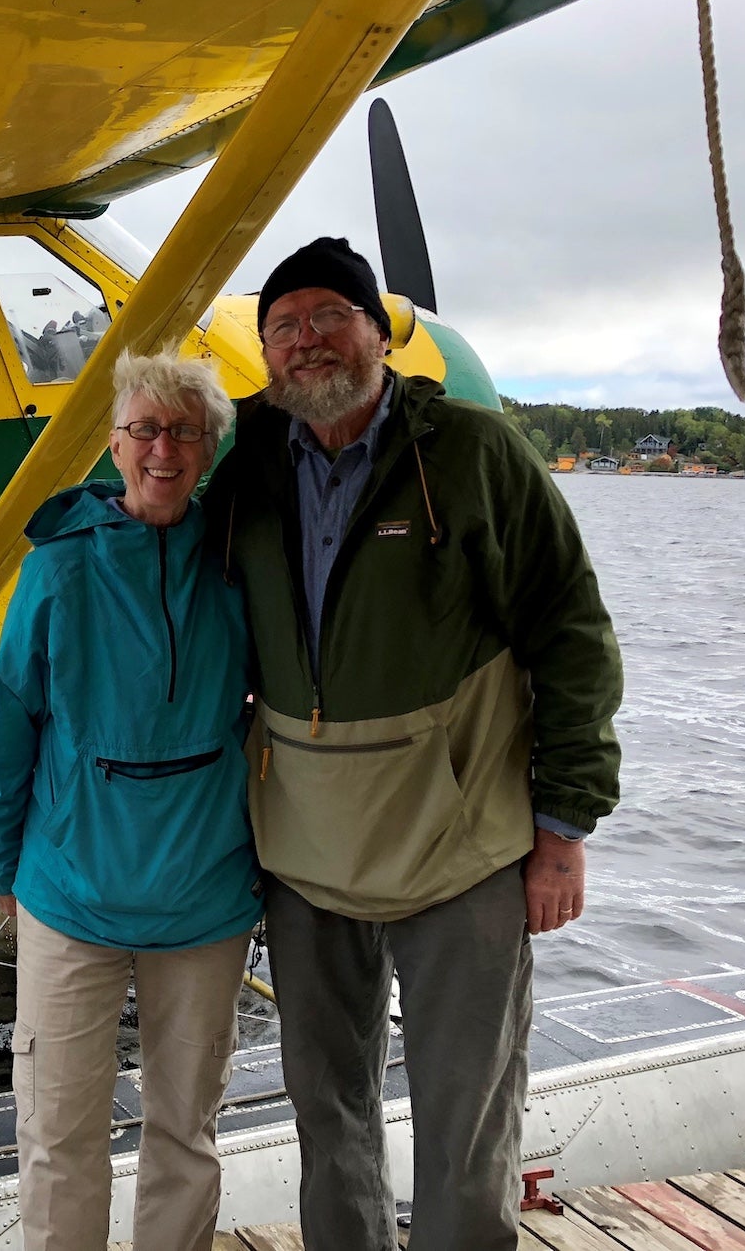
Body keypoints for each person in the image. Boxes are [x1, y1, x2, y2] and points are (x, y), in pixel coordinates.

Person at [206, 237, 623, 1251]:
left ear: (375, 332)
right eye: (282, 325)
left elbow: (571, 633)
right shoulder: (243, 457)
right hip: (304, 855)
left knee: (466, 1118)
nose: (305, 341)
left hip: (463, 849)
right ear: (261, 350)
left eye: (326, 317)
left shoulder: (474, 453)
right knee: (327, 1114)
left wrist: (561, 829)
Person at [0, 350, 263, 1251]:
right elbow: (9, 722)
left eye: (184, 433)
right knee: (58, 1136)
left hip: (205, 901)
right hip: (71, 898)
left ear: (209, 450)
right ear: (113, 444)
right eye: (144, 430)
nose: (162, 451)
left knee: (187, 1132)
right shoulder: (57, 569)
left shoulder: (242, 564)